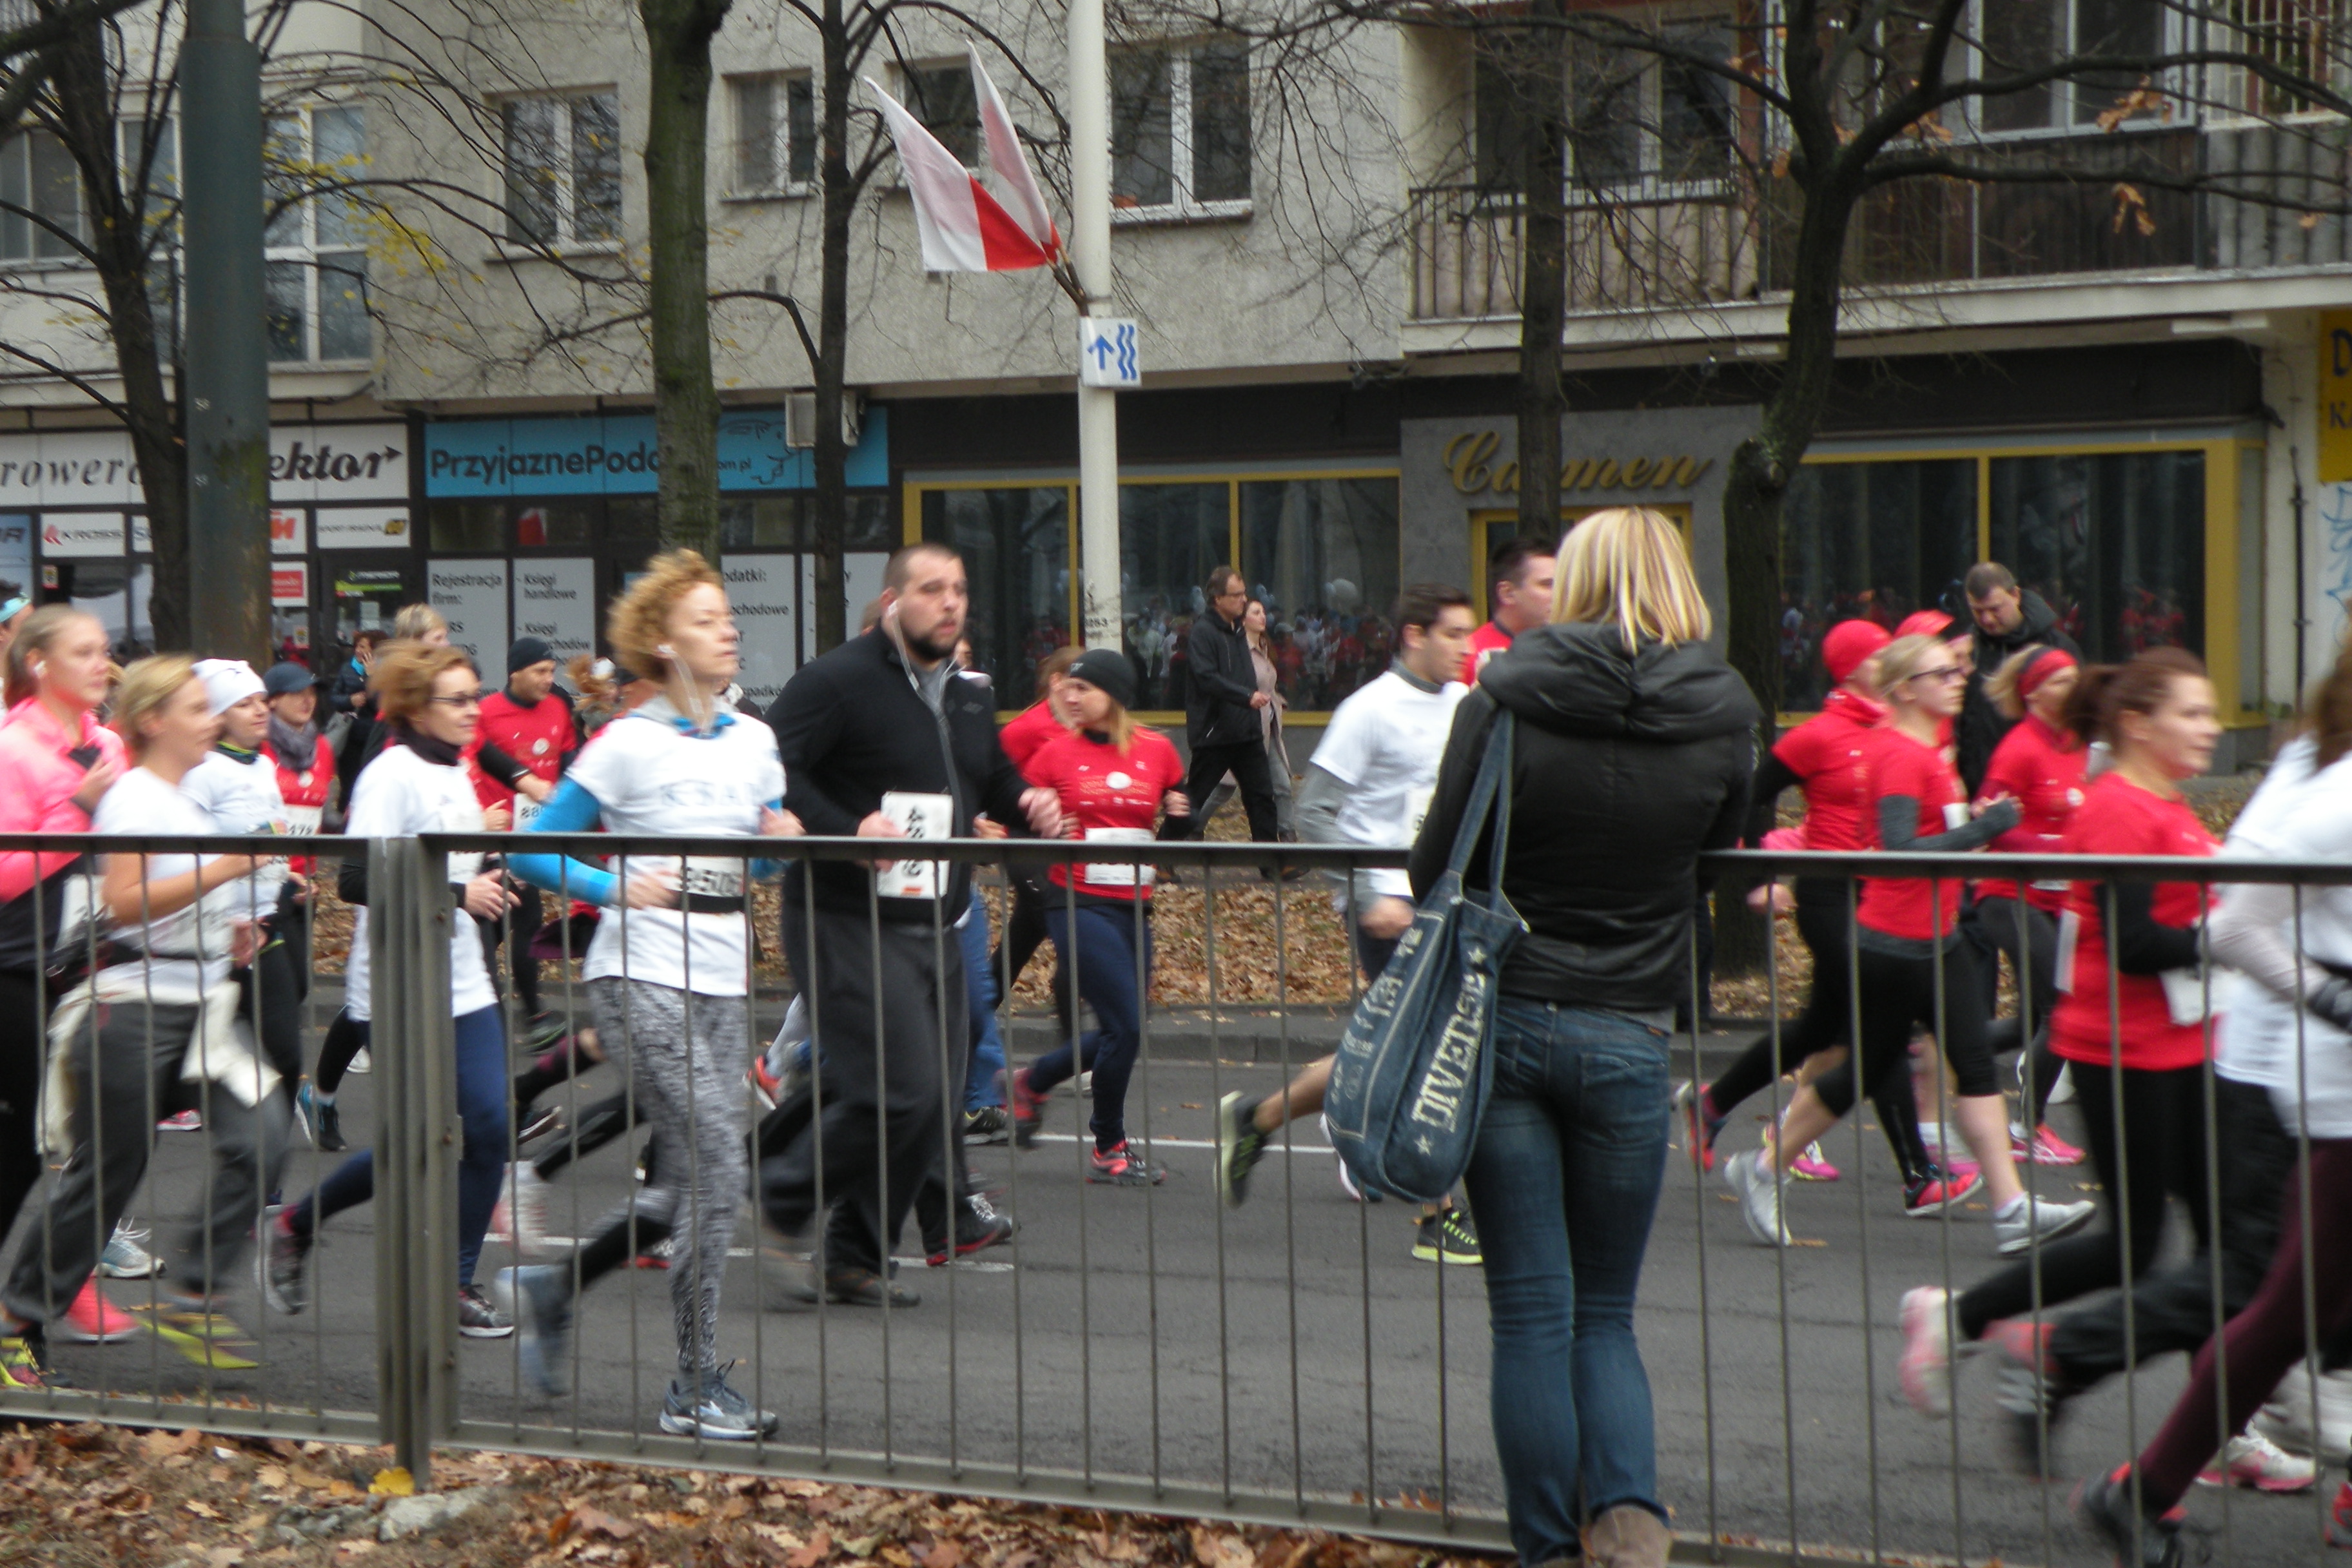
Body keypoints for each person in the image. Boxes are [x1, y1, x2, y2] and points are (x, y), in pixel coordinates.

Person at [1402, 508, 1755, 1568]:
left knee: (1529, 1312)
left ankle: (1548, 1549)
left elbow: (1435, 863)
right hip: (1631, 1025)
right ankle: (1631, 1525)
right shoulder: (1725, 714)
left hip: (1507, 1010)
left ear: (1582, 579)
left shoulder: (1503, 699)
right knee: (1606, 1311)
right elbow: (1714, 860)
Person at [491, 551, 799, 1439]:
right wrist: (610, 886)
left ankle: (554, 1287)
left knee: (685, 1181)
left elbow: (760, 866)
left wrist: (782, 841)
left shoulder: (755, 740)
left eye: (729, 615)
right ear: (664, 643)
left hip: (721, 974)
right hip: (639, 973)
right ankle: (693, 1383)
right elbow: (529, 849)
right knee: (721, 1159)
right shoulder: (625, 741)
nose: (729, 629)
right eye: (707, 620)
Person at [1899, 649, 2219, 1424]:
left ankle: (2224, 1417)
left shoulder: (2164, 799)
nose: (2210, 728)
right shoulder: (2119, 807)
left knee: (2224, 1243)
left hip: (2184, 1044)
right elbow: (2134, 941)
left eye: (2211, 712)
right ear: (2138, 723)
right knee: (2139, 1247)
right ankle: (1970, 1318)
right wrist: (2229, 936)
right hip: (2126, 1049)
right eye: (2192, 713)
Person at [1721, 634, 2095, 1255]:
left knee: (1968, 1066)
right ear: (1903, 690)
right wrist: (1985, 828)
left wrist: (1976, 828)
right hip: (1896, 945)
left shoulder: (1928, 749)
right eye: (1940, 673)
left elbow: (1923, 835)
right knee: (1863, 1071)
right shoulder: (1901, 754)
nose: (1957, 679)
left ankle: (2010, 1209)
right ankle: (1763, 1166)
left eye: (1956, 670)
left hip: (1934, 937)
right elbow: (1897, 849)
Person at [760, 542, 1060, 1306]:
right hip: (844, 913)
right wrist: (846, 827)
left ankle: (853, 1254)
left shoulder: (965, 693)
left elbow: (986, 774)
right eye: (931, 588)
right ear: (893, 602)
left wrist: (1026, 799)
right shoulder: (837, 680)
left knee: (933, 1102)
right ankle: (785, 1191)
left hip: (938, 916)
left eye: (959, 588)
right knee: (902, 1088)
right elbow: (772, 768)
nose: (950, 601)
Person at [1, 656, 289, 1372]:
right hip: (132, 1009)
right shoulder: (134, 796)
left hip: (205, 1005)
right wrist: (227, 868)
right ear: (154, 721)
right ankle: (16, 1323)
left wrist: (223, 928)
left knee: (262, 1134)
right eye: (196, 709)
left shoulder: (182, 801)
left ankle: (193, 1293)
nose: (212, 721)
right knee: (108, 1175)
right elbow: (124, 902)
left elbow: (171, 899)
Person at [1215, 582, 1484, 1265]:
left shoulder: (1466, 704)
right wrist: (1366, 893)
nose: (1467, 646)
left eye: (1470, 632)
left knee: (1391, 1047)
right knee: (1426, 1049)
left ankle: (1258, 1117)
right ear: (1415, 636)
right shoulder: (1370, 709)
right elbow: (1313, 814)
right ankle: (1438, 1214)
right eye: (1454, 633)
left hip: (1447, 904)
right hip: (1389, 908)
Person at [261, 641, 518, 1340]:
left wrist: (492, 873)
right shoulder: (391, 774)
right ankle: (296, 1223)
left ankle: (454, 1282)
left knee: (489, 1126)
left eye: (475, 696)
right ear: (414, 706)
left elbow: (458, 857)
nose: (473, 710)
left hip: (463, 977)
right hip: (400, 983)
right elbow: (356, 879)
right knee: (413, 1144)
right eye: (457, 699)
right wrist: (459, 894)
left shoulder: (455, 768)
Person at [1678, 618, 1952, 1209]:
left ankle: (1711, 1104)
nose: (1892, 665)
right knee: (1877, 1024)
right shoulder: (1818, 735)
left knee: (1819, 1030)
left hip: (1878, 896)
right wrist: (1761, 874)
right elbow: (1752, 796)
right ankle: (1918, 1176)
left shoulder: (1898, 732)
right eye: (1880, 657)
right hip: (1828, 898)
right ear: (1854, 670)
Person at [1003, 648, 1187, 1184]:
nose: (1071, 696)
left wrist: (1182, 815)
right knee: (1123, 1026)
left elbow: (1177, 829)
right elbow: (1013, 821)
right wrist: (1042, 829)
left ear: (1115, 694)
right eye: (1069, 688)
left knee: (1123, 1028)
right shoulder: (1055, 754)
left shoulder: (1157, 751)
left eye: (1084, 688)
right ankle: (1109, 1146)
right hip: (1075, 901)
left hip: (1135, 904)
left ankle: (1032, 1081)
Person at [0, 607, 124, 1384]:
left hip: (89, 963)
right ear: (39, 663)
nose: (102, 663)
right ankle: (36, 1304)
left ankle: (55, 1280)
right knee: (30, 1142)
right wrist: (77, 808)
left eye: (105, 649)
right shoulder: (13, 748)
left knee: (92, 1135)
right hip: (14, 965)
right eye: (84, 651)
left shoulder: (108, 743)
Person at [1970, 644, 2088, 1166]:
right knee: (2062, 1011)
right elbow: (1988, 818)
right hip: (2009, 895)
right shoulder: (2018, 748)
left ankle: (1942, 1045)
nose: (2074, 687)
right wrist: (2050, 848)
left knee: (2033, 1020)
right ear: (2034, 693)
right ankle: (2026, 1126)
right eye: (2061, 681)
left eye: (2075, 678)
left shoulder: (2078, 745)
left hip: (2059, 899)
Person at [178, 660, 305, 1095]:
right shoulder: (202, 771)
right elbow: (183, 852)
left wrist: (285, 876)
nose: (260, 710)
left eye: (262, 701)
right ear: (217, 715)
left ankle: (271, 1125)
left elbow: (269, 832)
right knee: (221, 1051)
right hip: (219, 931)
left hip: (268, 919)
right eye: (244, 704)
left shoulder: (264, 765)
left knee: (286, 1048)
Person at [476, 634, 578, 1044]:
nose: (548, 679)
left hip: (538, 832)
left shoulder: (557, 707)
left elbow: (569, 757)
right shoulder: (486, 712)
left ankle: (512, 1012)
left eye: (551, 671)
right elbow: (476, 759)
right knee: (519, 918)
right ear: (515, 673)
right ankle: (528, 1015)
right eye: (539, 671)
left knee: (511, 923)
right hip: (496, 834)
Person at [1956, 562, 2081, 794]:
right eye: (1978, 611)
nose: (1988, 620)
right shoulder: (1967, 648)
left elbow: (2078, 713)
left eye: (1995, 609)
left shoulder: (2057, 646)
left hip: (2040, 783)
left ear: (2015, 595)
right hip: (1977, 782)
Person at [1179, 565, 1280, 845]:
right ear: (1218, 599)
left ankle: (1271, 858)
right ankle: (1162, 853)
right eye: (1236, 595)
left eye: (1244, 594)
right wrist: (1246, 696)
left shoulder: (1238, 630)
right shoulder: (1203, 633)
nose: (1243, 600)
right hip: (1216, 733)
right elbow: (1207, 678)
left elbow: (1244, 674)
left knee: (1262, 796)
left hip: (1246, 731)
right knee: (1195, 796)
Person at [1202, 598, 1297, 839]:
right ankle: (1190, 827)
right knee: (1224, 788)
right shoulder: (1236, 651)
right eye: (1256, 612)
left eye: (1263, 612)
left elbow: (1267, 685)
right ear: (1243, 620)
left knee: (1282, 786)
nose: (1263, 616)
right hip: (1244, 729)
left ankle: (1287, 838)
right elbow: (1227, 688)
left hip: (1269, 728)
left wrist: (1277, 700)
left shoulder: (1264, 648)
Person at [1460, 536, 1557, 685]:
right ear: (1507, 593)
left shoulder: (1561, 649)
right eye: (1547, 585)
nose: (1560, 594)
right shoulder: (1468, 658)